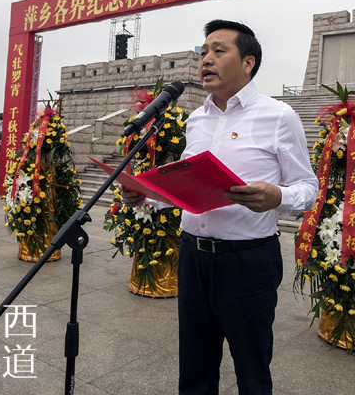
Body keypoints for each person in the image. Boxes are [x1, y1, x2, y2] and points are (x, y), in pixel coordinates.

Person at [122, 20, 317, 394]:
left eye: (219, 50)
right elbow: (189, 191)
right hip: (193, 257)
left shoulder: (278, 116)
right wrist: (144, 196)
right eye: (203, 52)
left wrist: (278, 197)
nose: (206, 59)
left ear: (248, 62)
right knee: (194, 368)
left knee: (251, 368)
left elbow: (308, 187)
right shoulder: (196, 120)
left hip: (247, 262)